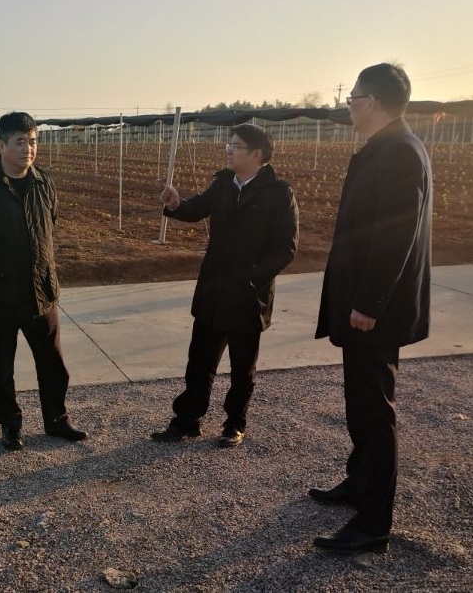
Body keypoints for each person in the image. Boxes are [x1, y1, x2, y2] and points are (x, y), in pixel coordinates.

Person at [311, 63, 432, 554]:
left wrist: (368, 303)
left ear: (372, 102)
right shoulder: (385, 146)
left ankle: (373, 522)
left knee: (374, 411)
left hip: (375, 313)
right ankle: (360, 483)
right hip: (366, 306)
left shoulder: (399, 151)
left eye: (352, 98)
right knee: (359, 404)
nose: (349, 106)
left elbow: (395, 237)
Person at [150, 123, 299, 448]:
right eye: (228, 145)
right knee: (199, 363)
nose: (228, 150)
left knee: (242, 367)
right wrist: (176, 204)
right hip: (214, 290)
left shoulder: (279, 193)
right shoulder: (223, 184)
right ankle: (187, 420)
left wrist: (252, 279)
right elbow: (196, 208)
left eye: (236, 146)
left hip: (248, 295)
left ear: (256, 154)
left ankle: (234, 423)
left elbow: (285, 248)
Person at [0, 111, 87, 451]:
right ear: (1, 145)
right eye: (20, 142)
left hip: (41, 291)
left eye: (33, 141)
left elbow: (49, 226)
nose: (28, 148)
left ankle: (57, 419)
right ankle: (10, 425)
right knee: (1, 366)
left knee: (52, 362)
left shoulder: (44, 183)